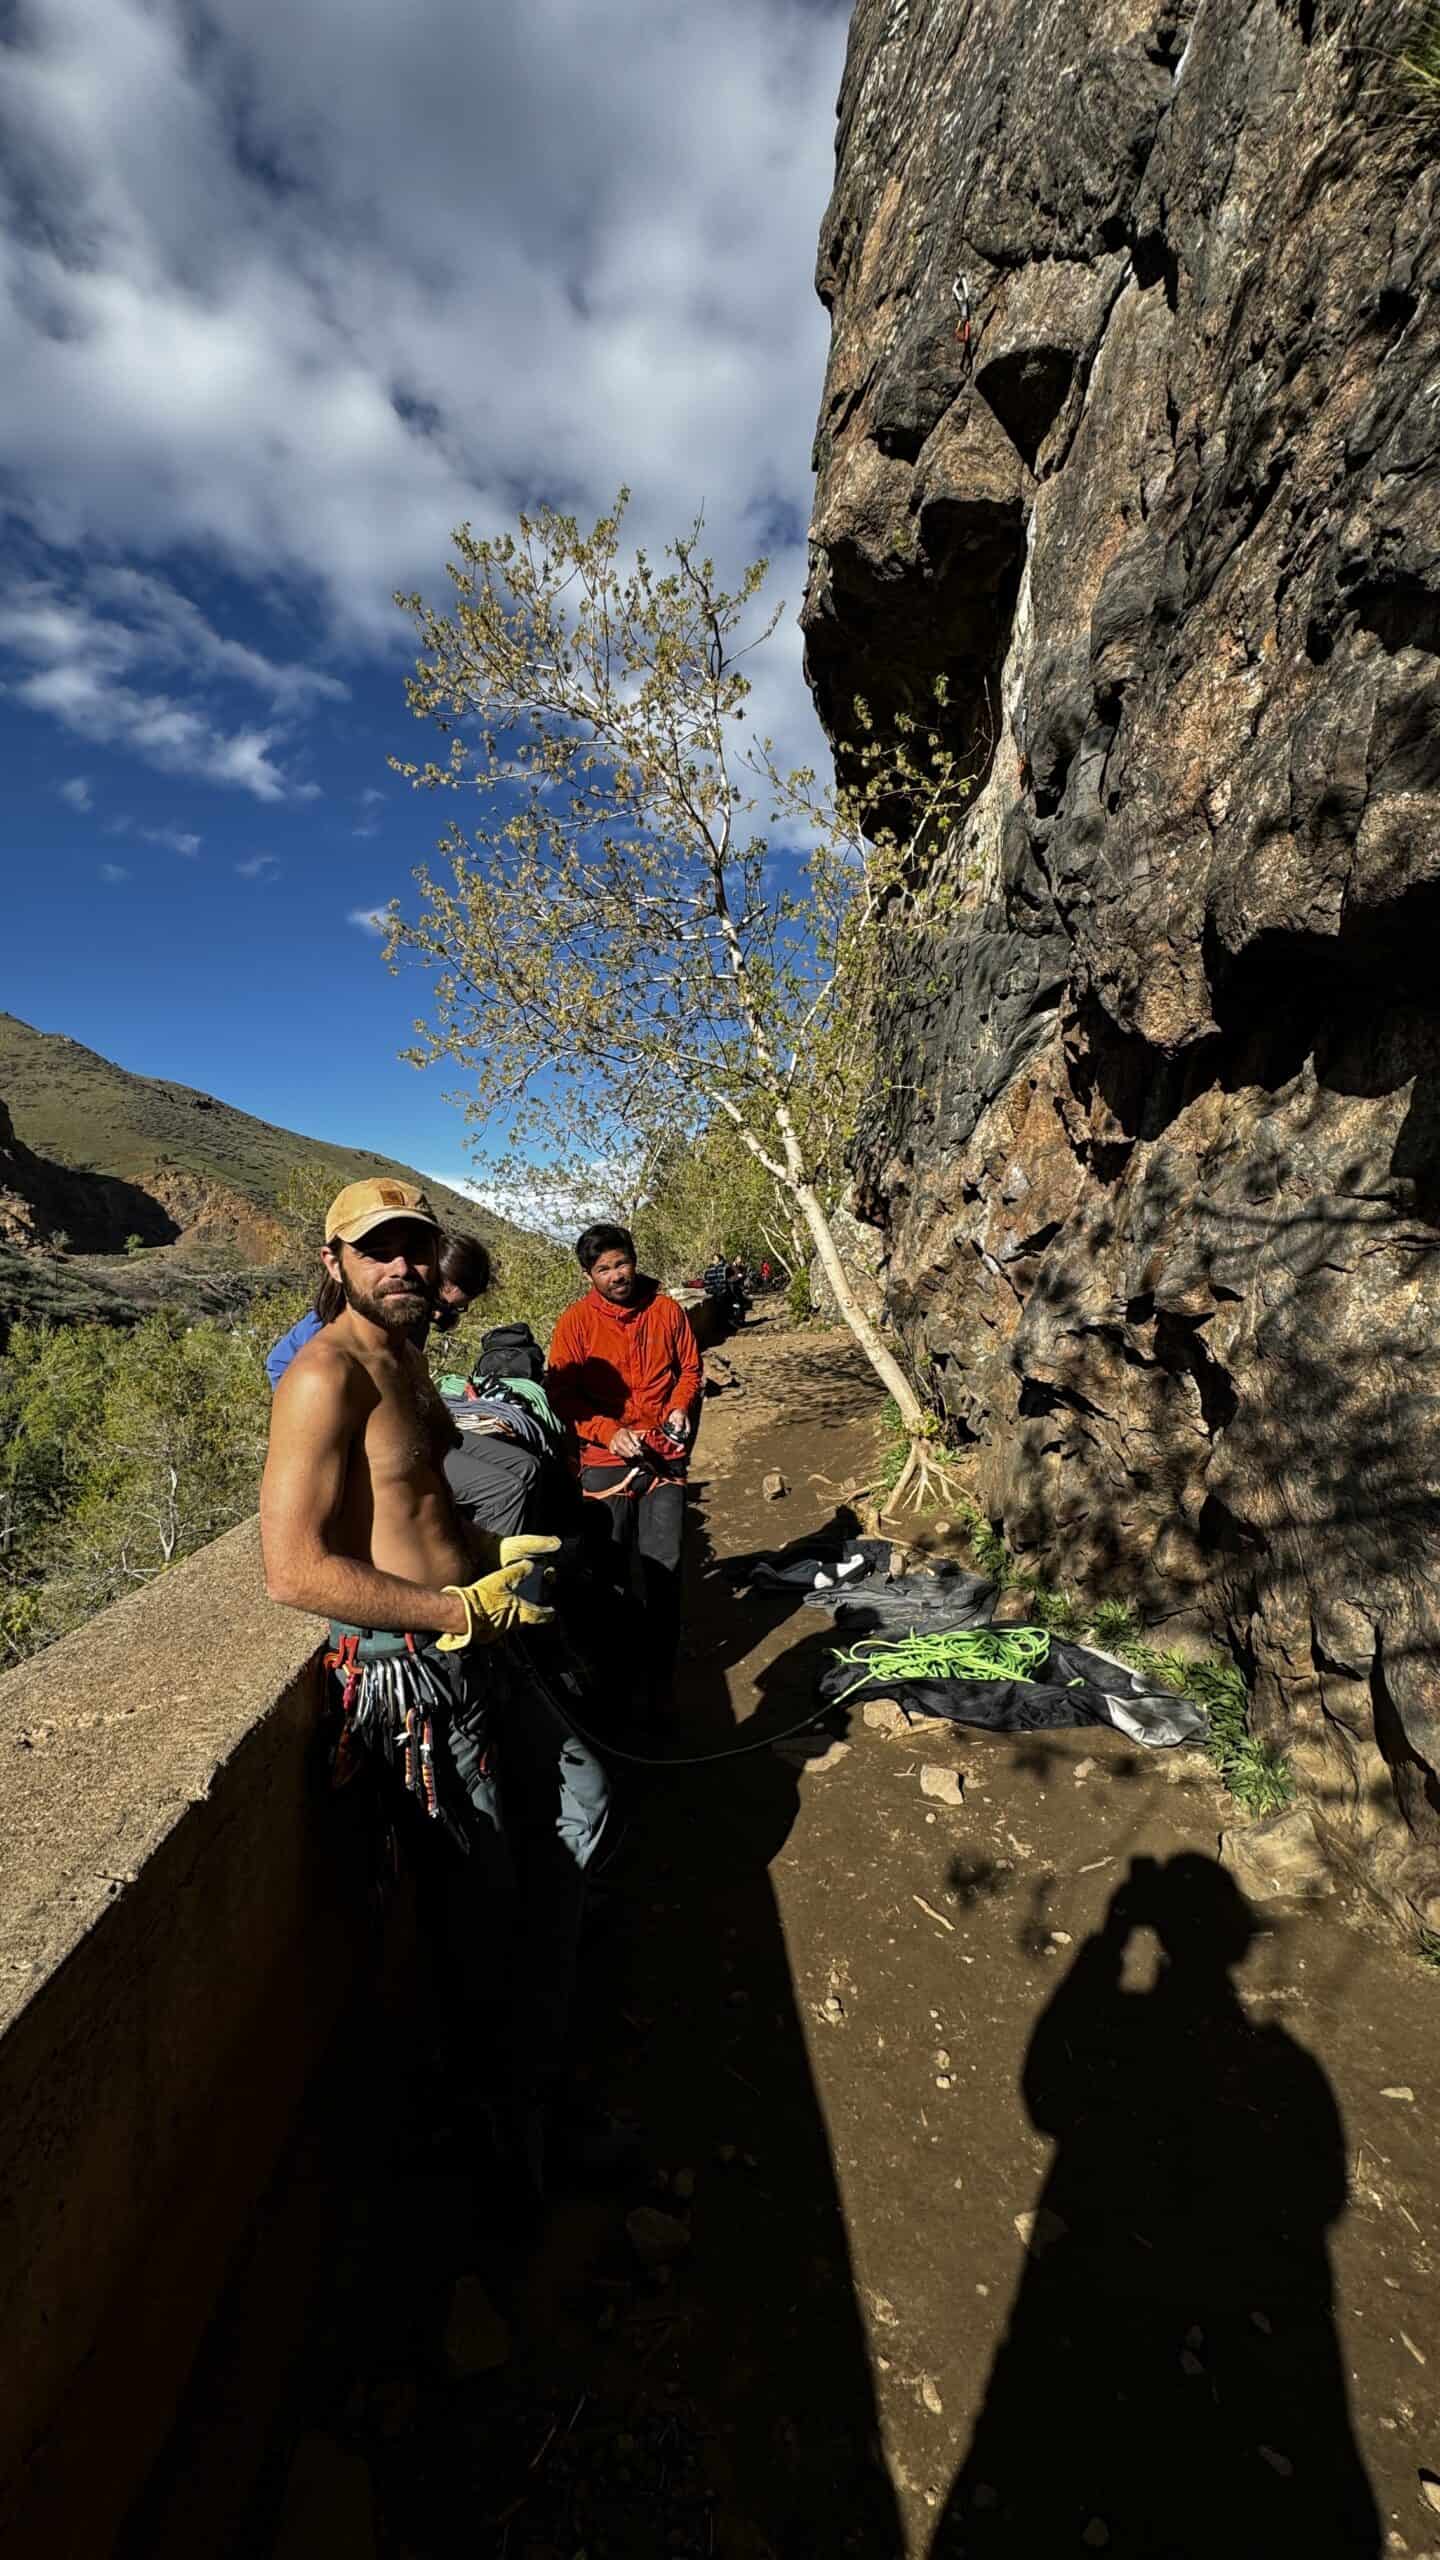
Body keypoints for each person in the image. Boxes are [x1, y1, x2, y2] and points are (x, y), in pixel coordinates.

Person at [259, 1176, 609, 2187]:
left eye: (417, 1244)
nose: (404, 1264)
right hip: (412, 1678)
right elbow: (293, 1569)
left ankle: (532, 2064)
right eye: (378, 1248)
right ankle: (506, 2137)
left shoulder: (405, 1355)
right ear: (334, 1262)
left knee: (579, 1806)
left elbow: (421, 1513)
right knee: (479, 1903)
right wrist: (461, 1611)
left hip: (478, 1646)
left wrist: (501, 1549)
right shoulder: (326, 1377)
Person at [546, 1222, 704, 1718]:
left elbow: (691, 1371)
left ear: (634, 1259)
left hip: (664, 1457)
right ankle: (614, 1679)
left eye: (622, 1263)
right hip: (605, 1461)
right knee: (608, 1572)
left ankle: (661, 1681)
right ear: (589, 1274)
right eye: (604, 1268)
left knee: (666, 1565)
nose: (617, 1275)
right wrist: (606, 1430)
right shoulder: (574, 1324)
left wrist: (679, 1406)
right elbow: (560, 1395)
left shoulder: (667, 1311)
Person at [263, 1228, 491, 1390]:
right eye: (441, 1304)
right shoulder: (349, 1317)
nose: (440, 1315)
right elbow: (279, 1363)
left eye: (456, 1309)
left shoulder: (412, 1318)